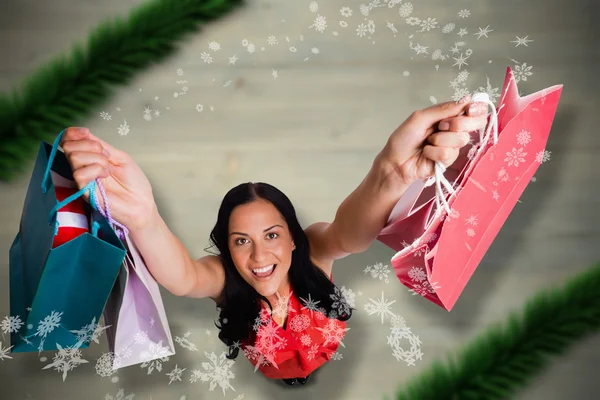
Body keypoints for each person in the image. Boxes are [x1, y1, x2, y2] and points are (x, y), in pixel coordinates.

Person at [59, 94, 488, 386]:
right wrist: (143, 217)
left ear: (294, 238)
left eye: (272, 235)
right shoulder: (227, 282)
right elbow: (184, 277)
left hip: (325, 354)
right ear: (226, 247)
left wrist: (392, 172)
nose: (260, 255)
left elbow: (350, 234)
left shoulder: (314, 251)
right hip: (269, 371)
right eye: (241, 241)